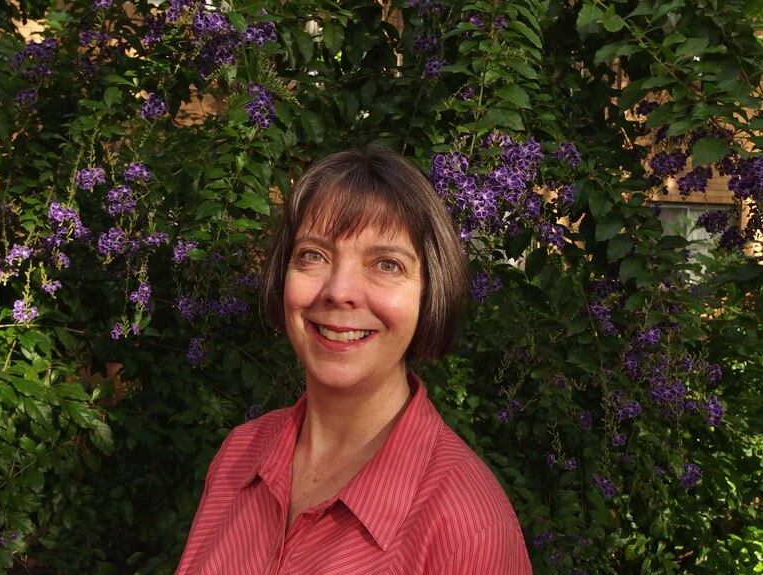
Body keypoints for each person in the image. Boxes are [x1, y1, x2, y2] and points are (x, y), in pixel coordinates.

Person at [174, 149, 532, 574]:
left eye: (386, 264)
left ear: (429, 292)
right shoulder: (239, 456)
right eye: (313, 255)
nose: (339, 290)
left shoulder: (467, 525)